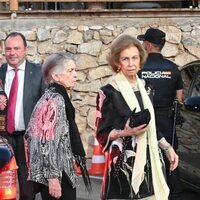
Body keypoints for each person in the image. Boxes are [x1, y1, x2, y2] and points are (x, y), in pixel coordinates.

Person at [95, 34, 179, 200]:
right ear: (117, 62)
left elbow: (151, 126)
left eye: (135, 58)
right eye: (125, 59)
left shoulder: (146, 87)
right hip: (123, 167)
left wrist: (168, 148)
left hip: (151, 162)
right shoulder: (109, 92)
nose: (131, 63)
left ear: (141, 59)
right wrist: (125, 132)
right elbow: (101, 133)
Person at [24, 52, 91, 200]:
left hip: (59, 171)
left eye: (75, 70)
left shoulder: (50, 96)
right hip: (58, 173)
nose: (76, 75)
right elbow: (47, 141)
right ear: (55, 76)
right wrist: (52, 177)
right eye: (70, 71)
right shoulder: (56, 100)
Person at [137, 28, 183, 200]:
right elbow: (179, 98)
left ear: (148, 45)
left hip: (145, 119)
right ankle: (174, 194)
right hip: (167, 119)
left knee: (144, 158)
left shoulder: (139, 68)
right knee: (171, 159)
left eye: (143, 43)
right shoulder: (173, 68)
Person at [0, 32, 46, 200]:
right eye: (8, 49)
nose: (12, 53)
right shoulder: (0, 72)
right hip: (3, 138)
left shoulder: (39, 72)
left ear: (26, 50)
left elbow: (46, 107)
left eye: (17, 48)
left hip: (28, 139)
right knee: (3, 186)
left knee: (28, 189)